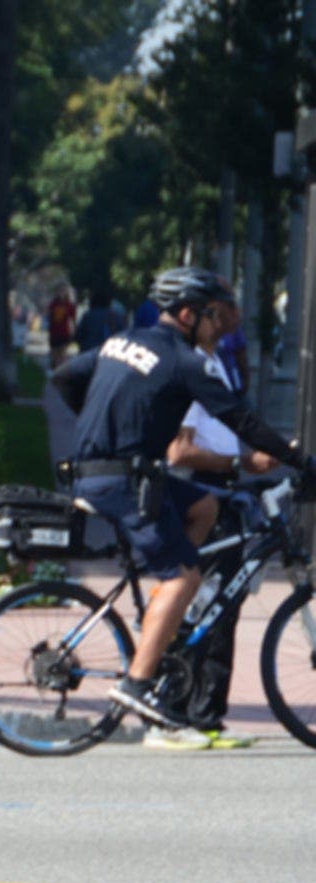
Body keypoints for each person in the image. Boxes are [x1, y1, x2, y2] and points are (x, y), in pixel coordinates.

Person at [52, 265, 312, 727]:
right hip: (124, 484)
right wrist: (299, 461)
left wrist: (102, 423)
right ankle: (136, 683)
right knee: (184, 577)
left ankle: (167, 610)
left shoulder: (121, 342)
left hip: (101, 472)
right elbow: (241, 421)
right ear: (190, 314)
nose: (218, 327)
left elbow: (65, 377)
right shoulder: (183, 361)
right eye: (213, 317)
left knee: (204, 505)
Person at [151, 284, 273, 751]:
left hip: (222, 492)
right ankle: (175, 712)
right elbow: (179, 448)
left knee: (224, 605)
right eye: (224, 307)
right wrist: (243, 464)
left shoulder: (213, 362)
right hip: (202, 496)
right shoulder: (188, 368)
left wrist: (246, 458)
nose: (234, 314)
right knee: (203, 603)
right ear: (202, 315)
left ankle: (206, 717)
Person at [46, 284, 77, 369]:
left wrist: (73, 331)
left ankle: (61, 370)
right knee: (54, 353)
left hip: (65, 333)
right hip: (54, 332)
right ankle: (55, 369)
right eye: (59, 291)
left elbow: (72, 320)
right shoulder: (53, 304)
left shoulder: (70, 305)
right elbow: (49, 317)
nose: (61, 293)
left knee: (62, 354)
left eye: (63, 291)